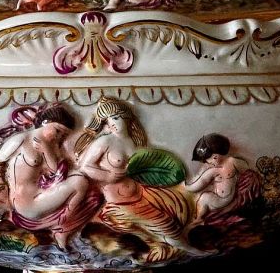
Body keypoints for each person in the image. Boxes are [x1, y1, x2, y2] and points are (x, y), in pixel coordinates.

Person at [75, 98, 193, 262]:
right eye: (108, 120)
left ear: (126, 116)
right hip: (119, 200)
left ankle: (165, 245)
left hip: (142, 192)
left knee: (177, 206)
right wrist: (109, 176)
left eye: (116, 117)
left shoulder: (133, 140)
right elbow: (85, 167)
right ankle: (190, 248)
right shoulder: (105, 141)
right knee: (163, 223)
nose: (112, 123)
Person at [0, 104, 99, 248]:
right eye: (57, 130)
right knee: (80, 182)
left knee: (82, 182)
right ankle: (62, 225)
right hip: (26, 202)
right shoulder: (21, 140)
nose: (59, 136)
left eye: (63, 134)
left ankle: (64, 226)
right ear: (45, 122)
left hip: (41, 196)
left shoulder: (52, 146)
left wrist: (46, 150)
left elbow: (56, 171)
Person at [185, 134, 260, 227]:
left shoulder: (232, 162)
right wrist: (188, 187)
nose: (208, 164)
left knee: (204, 198)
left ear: (215, 157)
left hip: (227, 200)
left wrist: (246, 181)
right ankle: (199, 218)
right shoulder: (214, 170)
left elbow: (248, 171)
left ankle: (199, 218)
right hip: (219, 199)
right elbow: (202, 181)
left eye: (208, 161)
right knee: (205, 197)